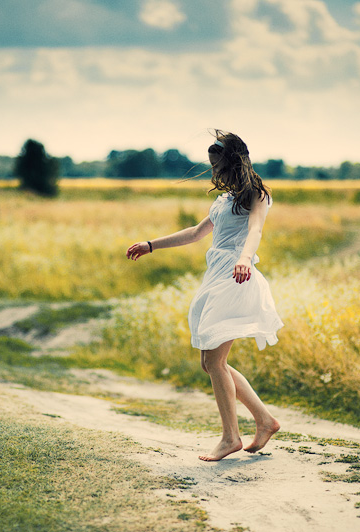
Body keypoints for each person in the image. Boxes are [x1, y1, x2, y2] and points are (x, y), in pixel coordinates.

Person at [126, 131, 283, 461]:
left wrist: (243, 258)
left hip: (236, 276)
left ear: (233, 163)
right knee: (210, 361)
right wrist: (151, 244)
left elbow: (255, 230)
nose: (214, 173)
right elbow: (197, 233)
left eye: (218, 165)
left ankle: (230, 438)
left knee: (214, 360)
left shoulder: (256, 194)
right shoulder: (224, 200)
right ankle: (265, 421)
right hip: (216, 275)